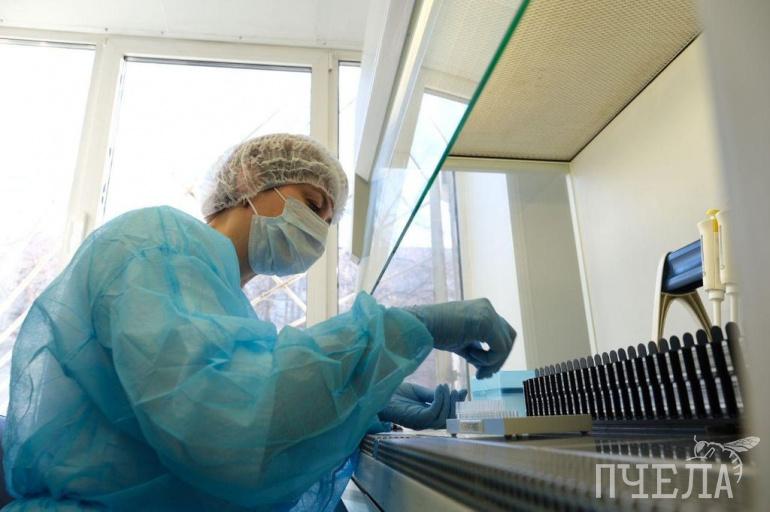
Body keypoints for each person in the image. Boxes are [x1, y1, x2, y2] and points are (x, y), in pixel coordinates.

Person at [2, 133, 515, 511]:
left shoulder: (220, 298)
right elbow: (227, 426)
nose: (320, 228)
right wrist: (402, 330)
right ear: (250, 179)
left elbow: (241, 399)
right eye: (312, 204)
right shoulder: (158, 244)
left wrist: (361, 401)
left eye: (328, 221)